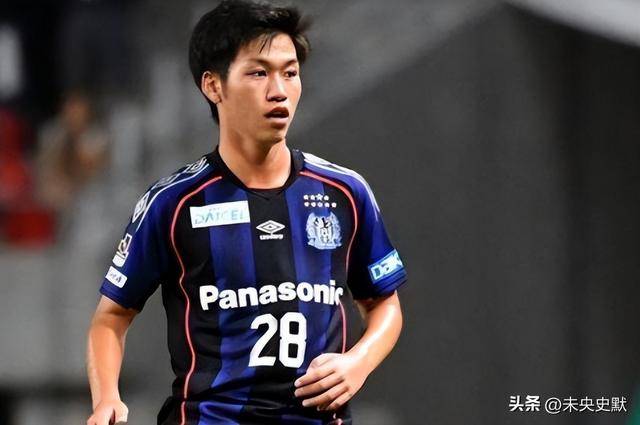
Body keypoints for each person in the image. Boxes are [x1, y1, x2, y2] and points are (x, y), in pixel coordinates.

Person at [86, 1, 407, 424]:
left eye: (290, 73)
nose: (279, 90)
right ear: (213, 86)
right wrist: (106, 398)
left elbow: (384, 304)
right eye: (259, 73)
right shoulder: (174, 203)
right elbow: (111, 317)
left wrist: (358, 362)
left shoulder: (345, 191)